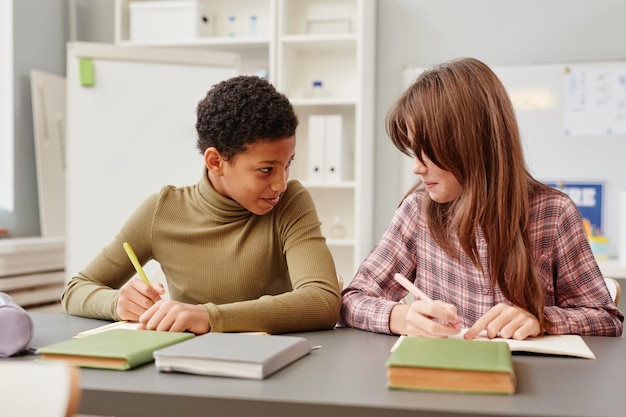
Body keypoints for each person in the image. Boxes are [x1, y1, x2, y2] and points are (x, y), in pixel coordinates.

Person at [340, 57, 623, 339]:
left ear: (468, 145)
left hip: (530, 378)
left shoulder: (554, 213)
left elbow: (606, 318)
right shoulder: (417, 213)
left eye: (428, 151)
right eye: (414, 151)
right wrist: (399, 317)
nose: (417, 167)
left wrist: (542, 319)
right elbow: (351, 299)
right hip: (441, 375)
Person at [62, 75, 341, 335]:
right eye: (266, 170)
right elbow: (76, 290)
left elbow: (322, 300)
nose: (281, 184)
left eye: (287, 164)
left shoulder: (290, 202)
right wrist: (117, 303)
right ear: (216, 162)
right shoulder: (162, 211)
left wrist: (208, 317)